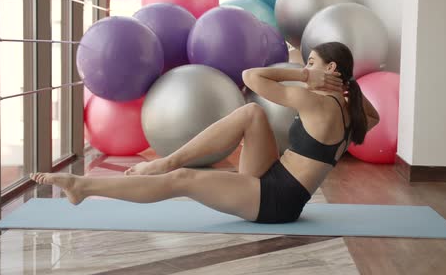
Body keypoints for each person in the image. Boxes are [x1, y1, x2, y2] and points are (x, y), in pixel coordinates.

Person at [31, 42, 380, 223]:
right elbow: (373, 117)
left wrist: (307, 80)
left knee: (184, 179)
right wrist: (341, 87)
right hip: (276, 178)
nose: (306, 69)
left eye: (312, 63)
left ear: (330, 69)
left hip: (276, 200)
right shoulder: (352, 112)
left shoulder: (314, 102)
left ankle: (84, 187)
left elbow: (250, 76)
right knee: (252, 113)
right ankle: (164, 161)